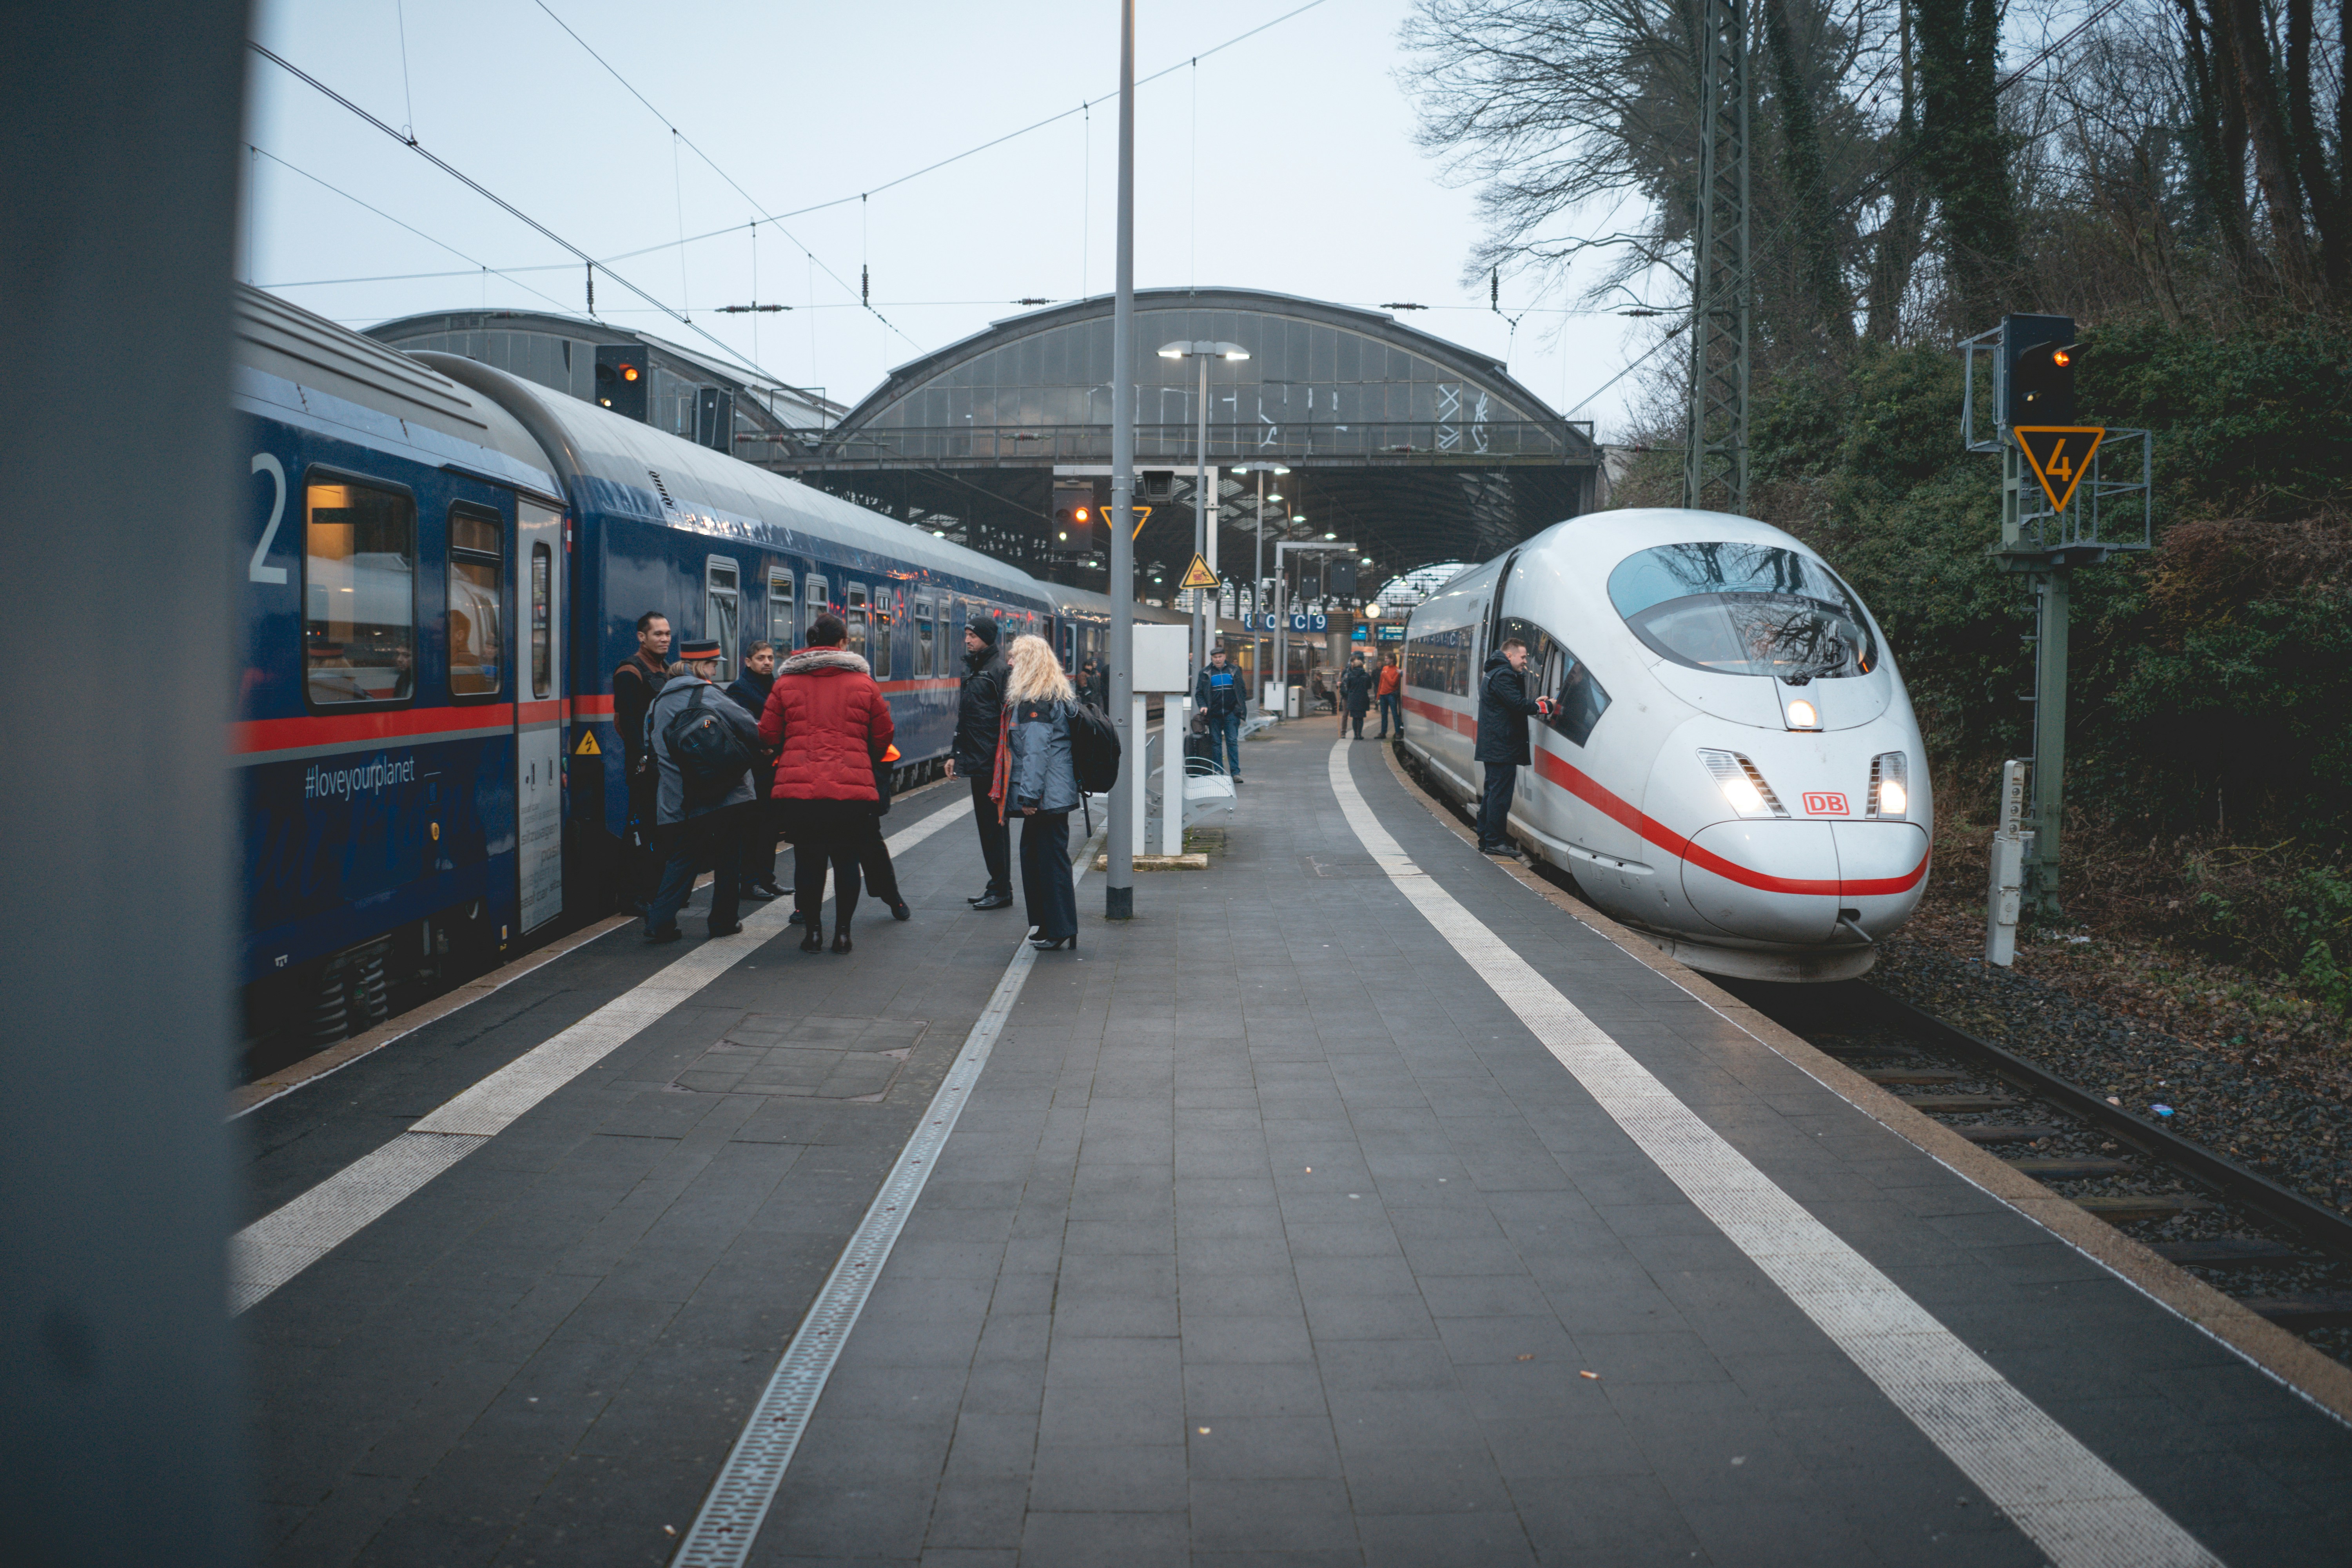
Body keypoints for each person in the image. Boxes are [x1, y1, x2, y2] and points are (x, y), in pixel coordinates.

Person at [759, 613, 894, 954]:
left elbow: (768, 734)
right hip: (850, 791)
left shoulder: (785, 684)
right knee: (847, 861)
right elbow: (883, 735)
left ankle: (813, 933)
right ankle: (843, 934)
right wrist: (865, 757)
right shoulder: (864, 684)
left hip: (800, 792)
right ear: (842, 643)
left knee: (809, 862)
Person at [643, 638, 760, 943]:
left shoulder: (657, 704)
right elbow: (750, 727)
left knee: (682, 860)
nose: (713, 671)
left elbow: (651, 747)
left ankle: (660, 923)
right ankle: (723, 921)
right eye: (712, 665)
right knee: (728, 858)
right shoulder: (708, 693)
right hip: (725, 793)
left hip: (681, 799)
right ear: (701, 666)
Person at [994, 634, 1081, 951]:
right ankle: (1049, 924)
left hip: (1046, 798)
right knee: (1036, 858)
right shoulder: (1046, 696)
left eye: (1016, 657)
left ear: (1029, 662)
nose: (1011, 662)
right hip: (1050, 795)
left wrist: (1029, 798)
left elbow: (1036, 753)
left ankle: (1060, 928)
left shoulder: (1036, 702)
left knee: (1050, 861)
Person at [947, 614, 1014, 911]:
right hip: (978, 761)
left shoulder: (998, 672)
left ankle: (1002, 889)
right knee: (988, 828)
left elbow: (1008, 721)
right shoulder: (976, 670)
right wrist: (954, 754)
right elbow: (966, 719)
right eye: (967, 634)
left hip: (992, 764)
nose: (967, 639)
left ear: (986, 637)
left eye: (972, 635)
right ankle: (996, 884)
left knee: (995, 828)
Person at [612, 611, 672, 911]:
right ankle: (632, 895)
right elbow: (629, 722)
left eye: (667, 634)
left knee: (658, 829)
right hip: (645, 765)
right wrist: (641, 761)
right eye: (658, 634)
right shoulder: (630, 672)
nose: (664, 639)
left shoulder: (665, 670)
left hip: (663, 764)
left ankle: (653, 890)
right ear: (642, 637)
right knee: (639, 829)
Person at [1475, 636, 1550, 858]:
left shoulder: (1495, 673)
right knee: (1500, 796)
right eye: (1523, 657)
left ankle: (1486, 839)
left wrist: (1535, 702)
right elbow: (1518, 704)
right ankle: (1495, 841)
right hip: (1502, 747)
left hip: (1496, 746)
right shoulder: (1504, 674)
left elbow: (1512, 702)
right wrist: (1545, 706)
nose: (1526, 661)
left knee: (1492, 794)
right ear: (1510, 655)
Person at [726, 641, 788, 902]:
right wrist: (763, 746)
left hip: (773, 771)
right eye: (761, 658)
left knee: (770, 829)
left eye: (771, 658)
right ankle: (749, 883)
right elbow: (738, 729)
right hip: (752, 772)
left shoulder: (776, 688)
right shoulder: (738, 690)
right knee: (752, 829)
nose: (768, 662)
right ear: (748, 662)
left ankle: (767, 879)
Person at [1192, 645, 1246, 782]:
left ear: (1225, 657)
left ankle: (1236, 773)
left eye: (1220, 657)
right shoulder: (1205, 673)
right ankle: (1218, 771)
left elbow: (1242, 691)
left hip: (1231, 713)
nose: (1218, 660)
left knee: (1232, 742)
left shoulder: (1234, 671)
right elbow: (1199, 693)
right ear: (1212, 658)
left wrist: (1237, 709)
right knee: (1216, 743)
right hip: (1214, 714)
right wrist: (1203, 706)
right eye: (1215, 658)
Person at [1339, 653, 1372, 741]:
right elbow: (1369, 686)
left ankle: (1355, 735)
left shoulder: (1350, 675)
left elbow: (1347, 685)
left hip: (1352, 698)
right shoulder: (1366, 676)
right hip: (1363, 698)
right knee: (1361, 717)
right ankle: (1360, 735)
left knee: (1354, 717)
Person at [1375, 652, 1403, 739]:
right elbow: (1381, 683)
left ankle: (1398, 732)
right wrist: (1378, 695)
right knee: (1384, 715)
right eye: (1385, 659)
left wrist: (1385, 674)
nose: (1385, 660)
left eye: (1387, 659)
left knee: (1395, 714)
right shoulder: (1385, 668)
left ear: (1392, 659)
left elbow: (1393, 683)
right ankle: (1383, 732)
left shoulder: (1396, 670)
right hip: (1383, 694)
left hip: (1391, 694)